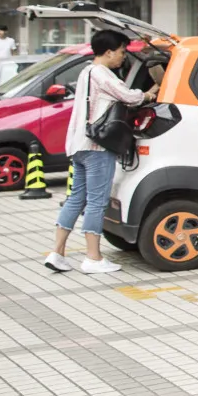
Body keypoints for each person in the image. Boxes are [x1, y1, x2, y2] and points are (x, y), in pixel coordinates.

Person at [45, 31, 155, 275]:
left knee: (76, 198)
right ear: (109, 52)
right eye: (122, 52)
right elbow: (129, 96)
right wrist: (148, 93)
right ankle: (93, 258)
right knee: (97, 201)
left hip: (79, 145)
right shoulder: (102, 74)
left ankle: (57, 253)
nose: (123, 57)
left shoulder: (85, 72)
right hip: (97, 147)